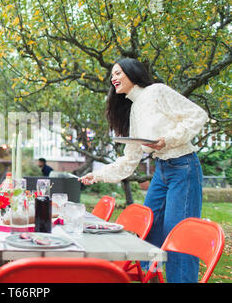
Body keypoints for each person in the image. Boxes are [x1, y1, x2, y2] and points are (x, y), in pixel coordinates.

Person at [79, 58, 208, 283]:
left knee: (179, 238)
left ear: (132, 73)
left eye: (118, 73)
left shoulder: (157, 91)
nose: (114, 78)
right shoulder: (134, 109)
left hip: (183, 166)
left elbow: (198, 115)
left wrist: (167, 140)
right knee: (149, 231)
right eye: (112, 75)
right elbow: (130, 159)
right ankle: (151, 276)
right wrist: (97, 175)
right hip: (162, 170)